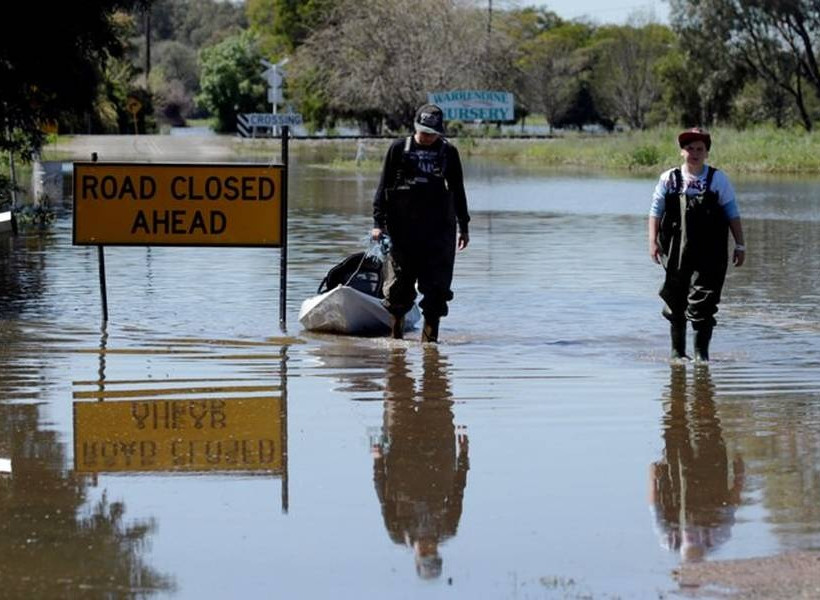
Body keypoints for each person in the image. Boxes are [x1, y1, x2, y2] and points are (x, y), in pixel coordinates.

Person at [371, 103, 470, 343]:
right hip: (402, 232)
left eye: (432, 133)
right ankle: (396, 345)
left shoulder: (449, 152)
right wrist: (378, 223)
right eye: (423, 131)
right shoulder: (398, 149)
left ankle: (429, 346)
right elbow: (383, 187)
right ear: (415, 127)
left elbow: (458, 191)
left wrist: (464, 226)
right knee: (397, 292)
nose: (427, 137)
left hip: (439, 234)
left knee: (437, 293)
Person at [371, 347, 469, 579]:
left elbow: (383, 494)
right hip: (438, 448)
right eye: (430, 553)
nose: (427, 548)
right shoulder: (448, 527)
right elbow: (459, 489)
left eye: (426, 553)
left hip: (401, 455)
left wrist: (378, 460)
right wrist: (463, 455)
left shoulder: (397, 532)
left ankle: (398, 353)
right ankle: (424, 352)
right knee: (436, 387)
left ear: (417, 556)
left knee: (396, 390)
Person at [648, 128, 746, 362]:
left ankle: (702, 357)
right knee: (675, 298)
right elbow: (655, 211)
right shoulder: (669, 179)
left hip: (711, 251)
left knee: (704, 300)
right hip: (675, 249)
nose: (694, 153)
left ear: (706, 153)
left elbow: (732, 213)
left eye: (699, 149)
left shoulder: (718, 179)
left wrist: (740, 244)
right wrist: (652, 241)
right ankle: (677, 355)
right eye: (689, 148)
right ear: (682, 152)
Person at [649, 366, 744, 562]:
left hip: (676, 483)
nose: (692, 526)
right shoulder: (719, 534)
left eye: (689, 531)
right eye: (694, 530)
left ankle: (681, 383)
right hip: (711, 478)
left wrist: (654, 479)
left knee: (676, 429)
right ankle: (700, 382)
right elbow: (732, 502)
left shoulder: (668, 538)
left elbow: (655, 506)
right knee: (707, 425)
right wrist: (739, 475)